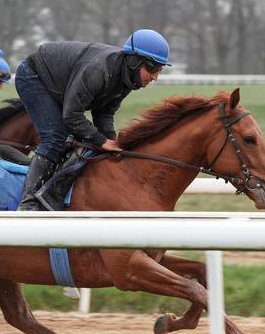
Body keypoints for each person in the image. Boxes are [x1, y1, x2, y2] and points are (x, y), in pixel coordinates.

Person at [15, 29, 171, 211]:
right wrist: (102, 141)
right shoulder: (98, 70)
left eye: (159, 70)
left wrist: (112, 144)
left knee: (82, 142)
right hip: (33, 75)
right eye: (152, 69)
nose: (154, 77)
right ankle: (28, 205)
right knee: (56, 137)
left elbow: (104, 114)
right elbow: (72, 115)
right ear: (135, 61)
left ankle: (51, 191)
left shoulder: (127, 79)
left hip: (60, 84)